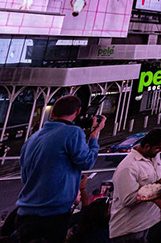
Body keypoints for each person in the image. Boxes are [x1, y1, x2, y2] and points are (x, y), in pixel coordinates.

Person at [16, 95, 104, 243]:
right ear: (78, 112)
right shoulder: (73, 132)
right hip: (53, 213)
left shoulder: (32, 138)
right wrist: (94, 135)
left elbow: (25, 177)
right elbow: (87, 161)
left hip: (25, 212)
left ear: (52, 113)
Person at [109, 128, 161, 242]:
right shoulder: (128, 167)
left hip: (151, 222)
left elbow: (154, 175)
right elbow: (128, 200)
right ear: (146, 146)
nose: (160, 151)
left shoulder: (153, 156)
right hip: (131, 229)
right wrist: (160, 183)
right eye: (157, 148)